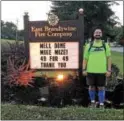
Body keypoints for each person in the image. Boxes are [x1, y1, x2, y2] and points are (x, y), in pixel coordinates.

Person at [83, 27, 112, 108]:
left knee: (101, 87)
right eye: (96, 32)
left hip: (102, 71)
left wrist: (109, 70)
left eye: (99, 32)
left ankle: (101, 104)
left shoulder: (105, 45)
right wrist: (84, 69)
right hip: (90, 71)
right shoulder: (89, 45)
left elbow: (109, 58)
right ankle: (92, 102)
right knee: (91, 87)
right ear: (93, 34)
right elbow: (85, 59)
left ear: (101, 34)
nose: (98, 33)